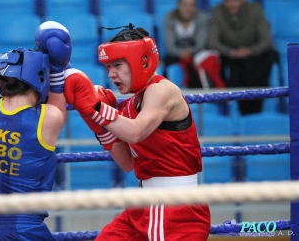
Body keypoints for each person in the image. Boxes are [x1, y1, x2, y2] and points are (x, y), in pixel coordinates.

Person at [64, 24, 210, 240]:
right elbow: (127, 163)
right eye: (107, 67)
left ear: (140, 60)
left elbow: (135, 132)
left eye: (117, 65)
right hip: (142, 206)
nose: (111, 74)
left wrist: (96, 108)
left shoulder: (162, 90)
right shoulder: (131, 105)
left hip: (174, 209)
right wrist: (96, 123)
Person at [0, 21, 71, 241]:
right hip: (19, 228)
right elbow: (57, 108)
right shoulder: (45, 119)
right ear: (39, 77)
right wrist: (57, 70)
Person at [208, 0, 277, 115]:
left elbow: (267, 40)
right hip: (229, 56)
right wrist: (231, 52)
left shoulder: (255, 9)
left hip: (252, 54)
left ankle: (255, 105)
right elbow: (212, 42)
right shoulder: (217, 11)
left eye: (235, 0)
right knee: (223, 63)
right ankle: (235, 108)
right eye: (227, 0)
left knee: (269, 56)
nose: (231, 4)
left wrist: (250, 51)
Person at [164, 0, 225, 89]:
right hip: (175, 55)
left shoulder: (201, 17)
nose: (188, 9)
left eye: (192, 5)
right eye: (185, 5)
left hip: (196, 54)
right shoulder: (169, 18)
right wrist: (181, 53)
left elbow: (201, 43)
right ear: (178, 5)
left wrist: (189, 52)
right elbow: (170, 45)